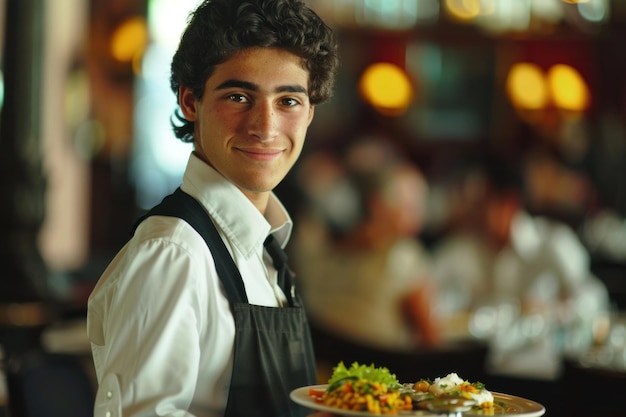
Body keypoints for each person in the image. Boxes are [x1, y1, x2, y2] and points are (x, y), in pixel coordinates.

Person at [86, 1, 339, 416]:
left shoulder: (265, 248)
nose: (265, 126)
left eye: (288, 101)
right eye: (239, 96)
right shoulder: (173, 252)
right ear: (190, 101)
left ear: (310, 111)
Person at [431, 153, 609, 380]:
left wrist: (550, 309)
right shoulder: (464, 247)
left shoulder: (551, 243)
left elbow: (595, 300)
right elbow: (427, 288)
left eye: (480, 203)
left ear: (508, 203)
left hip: (542, 377)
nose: (471, 211)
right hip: (476, 372)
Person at [292, 139, 441, 378]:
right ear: (379, 206)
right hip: (381, 392)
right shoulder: (404, 257)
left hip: (320, 383)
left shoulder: (313, 251)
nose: (419, 216)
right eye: (410, 205)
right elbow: (431, 343)